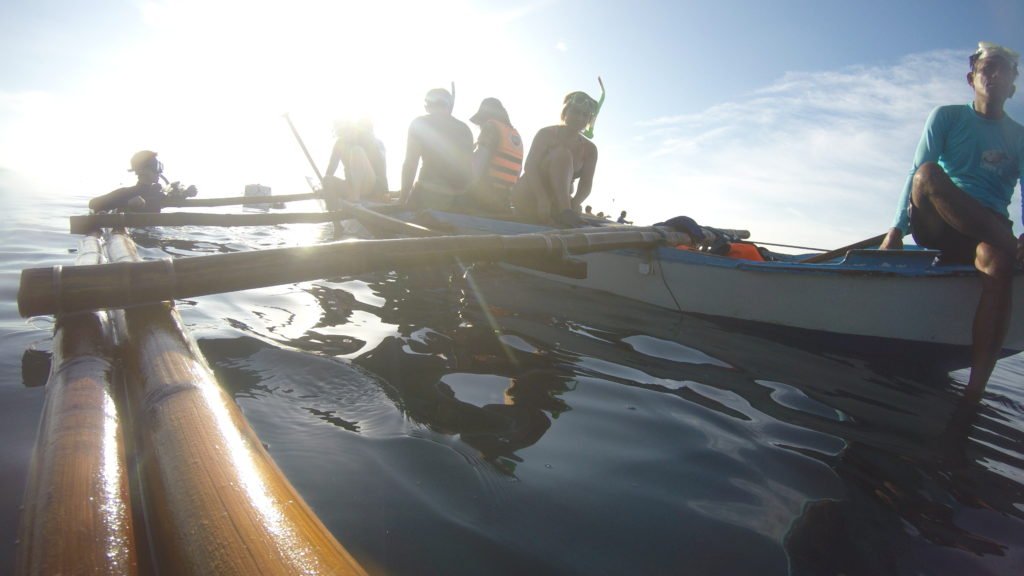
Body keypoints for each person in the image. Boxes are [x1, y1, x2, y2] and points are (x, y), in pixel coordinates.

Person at [878, 42, 1024, 400]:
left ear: (1013, 85)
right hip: (938, 220)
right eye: (987, 67)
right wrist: (896, 229)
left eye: (1003, 69)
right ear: (971, 77)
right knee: (928, 174)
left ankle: (974, 392)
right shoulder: (946, 116)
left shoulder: (1021, 136)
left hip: (985, 229)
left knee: (999, 262)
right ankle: (1008, 245)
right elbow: (917, 172)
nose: (994, 74)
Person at [512, 91, 599, 226]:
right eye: (576, 111)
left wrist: (575, 203)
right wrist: (542, 198)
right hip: (529, 195)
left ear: (589, 120)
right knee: (562, 154)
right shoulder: (545, 134)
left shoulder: (590, 150)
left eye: (585, 115)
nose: (580, 117)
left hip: (558, 206)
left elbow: (586, 184)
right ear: (565, 112)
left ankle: (565, 213)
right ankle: (565, 213)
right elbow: (530, 166)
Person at [400, 88, 473, 210]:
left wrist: (402, 199)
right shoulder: (465, 129)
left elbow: (411, 163)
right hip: (461, 201)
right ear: (449, 106)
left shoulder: (420, 123)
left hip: (429, 196)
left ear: (427, 107)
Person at [467, 97, 523, 213]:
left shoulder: (490, 127)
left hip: (485, 199)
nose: (480, 126)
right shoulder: (515, 136)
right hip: (504, 201)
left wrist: (466, 189)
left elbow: (477, 165)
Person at [89, 150, 168, 212]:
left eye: (160, 166)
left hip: (153, 231)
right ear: (140, 170)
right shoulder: (126, 193)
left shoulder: (157, 193)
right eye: (156, 166)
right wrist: (127, 203)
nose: (159, 171)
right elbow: (93, 204)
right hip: (130, 232)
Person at [324, 120, 379, 205]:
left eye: (346, 130)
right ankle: (334, 213)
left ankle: (355, 196)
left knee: (356, 151)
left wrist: (382, 192)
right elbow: (331, 168)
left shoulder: (364, 139)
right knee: (327, 180)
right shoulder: (339, 143)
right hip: (350, 186)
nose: (345, 134)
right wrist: (324, 187)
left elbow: (379, 166)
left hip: (367, 184)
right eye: (341, 132)